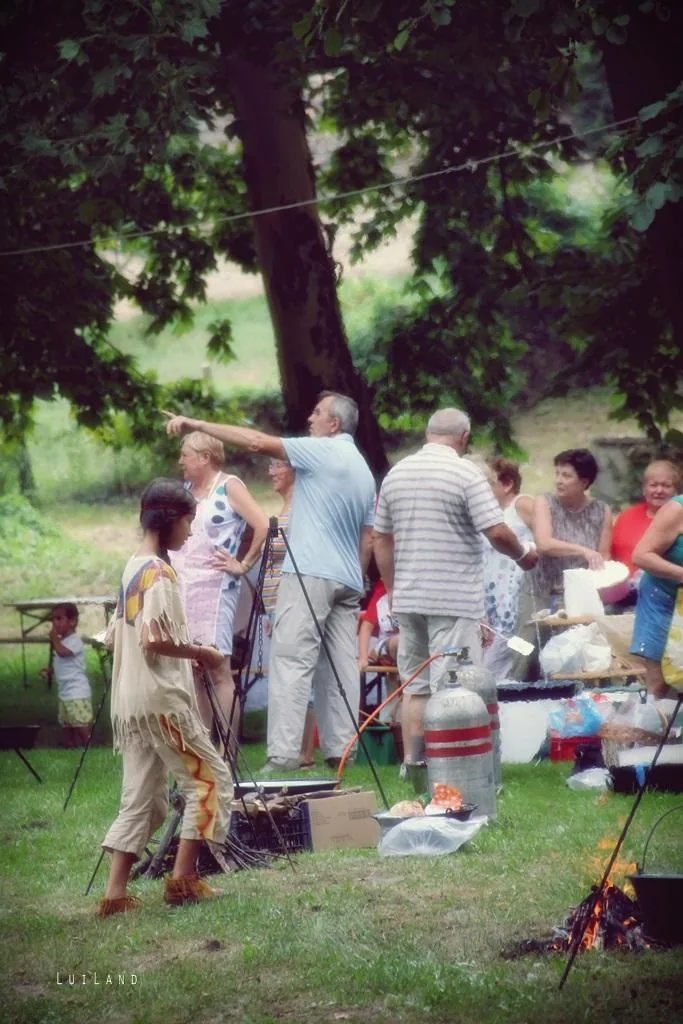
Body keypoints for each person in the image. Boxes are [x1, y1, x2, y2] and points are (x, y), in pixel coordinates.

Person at [165, 391, 376, 772]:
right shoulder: (362, 468)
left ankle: (282, 756)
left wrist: (197, 424)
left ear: (334, 424)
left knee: (291, 660)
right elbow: (368, 536)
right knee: (340, 667)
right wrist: (357, 578)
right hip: (347, 579)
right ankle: (341, 752)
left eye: (317, 413)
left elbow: (257, 442)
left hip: (310, 571)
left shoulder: (323, 450)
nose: (309, 419)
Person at [99, 479, 233, 918]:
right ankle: (183, 881)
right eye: (189, 522)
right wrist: (202, 653)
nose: (191, 532)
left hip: (132, 704)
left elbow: (119, 635)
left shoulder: (133, 566)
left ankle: (115, 895)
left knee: (142, 797)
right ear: (169, 519)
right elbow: (153, 639)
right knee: (210, 781)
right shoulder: (159, 572)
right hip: (161, 701)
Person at [372, 409, 539, 761]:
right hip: (453, 600)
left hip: (409, 600)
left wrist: (393, 590)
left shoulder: (396, 474)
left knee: (416, 687)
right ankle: (451, 767)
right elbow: (497, 531)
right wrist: (523, 555)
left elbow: (381, 538)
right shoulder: (465, 473)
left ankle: (414, 764)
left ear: (428, 433)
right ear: (463, 437)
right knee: (454, 687)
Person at [169, 430, 268, 743]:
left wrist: (243, 564)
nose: (180, 461)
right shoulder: (185, 492)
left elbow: (263, 524)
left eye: (185, 455)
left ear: (205, 457)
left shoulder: (229, 486)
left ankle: (227, 750)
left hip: (215, 590)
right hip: (184, 588)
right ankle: (203, 750)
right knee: (193, 669)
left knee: (218, 668)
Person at [533, 448, 612, 610]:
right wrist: (583, 550)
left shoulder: (602, 511)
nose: (558, 481)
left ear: (584, 482)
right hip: (547, 594)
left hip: (585, 595)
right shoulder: (545, 502)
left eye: (566, 476)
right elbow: (544, 544)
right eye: (557, 474)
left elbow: (603, 556)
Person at [482, 458, 536, 681]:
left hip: (516, 599)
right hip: (495, 604)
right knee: (501, 665)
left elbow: (548, 534)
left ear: (507, 484)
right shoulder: (487, 515)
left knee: (494, 669)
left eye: (487, 484)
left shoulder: (520, 505)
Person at [631, 494, 683, 697]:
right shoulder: (676, 510)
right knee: (659, 681)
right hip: (661, 597)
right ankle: (653, 714)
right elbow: (641, 555)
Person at [612, 460, 681, 576]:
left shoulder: (680, 520)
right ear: (644, 489)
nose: (659, 490)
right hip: (622, 582)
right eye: (653, 485)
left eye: (666, 486)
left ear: (676, 492)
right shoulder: (626, 516)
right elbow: (612, 557)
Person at [43, 603, 93, 748]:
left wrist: (54, 639)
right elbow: (63, 663)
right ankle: (69, 745)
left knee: (80, 722)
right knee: (67, 723)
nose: (55, 623)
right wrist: (51, 670)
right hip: (65, 692)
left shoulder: (75, 640)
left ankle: (88, 745)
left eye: (59, 619)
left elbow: (63, 653)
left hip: (77, 691)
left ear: (72, 621)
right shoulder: (63, 642)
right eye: (53, 619)